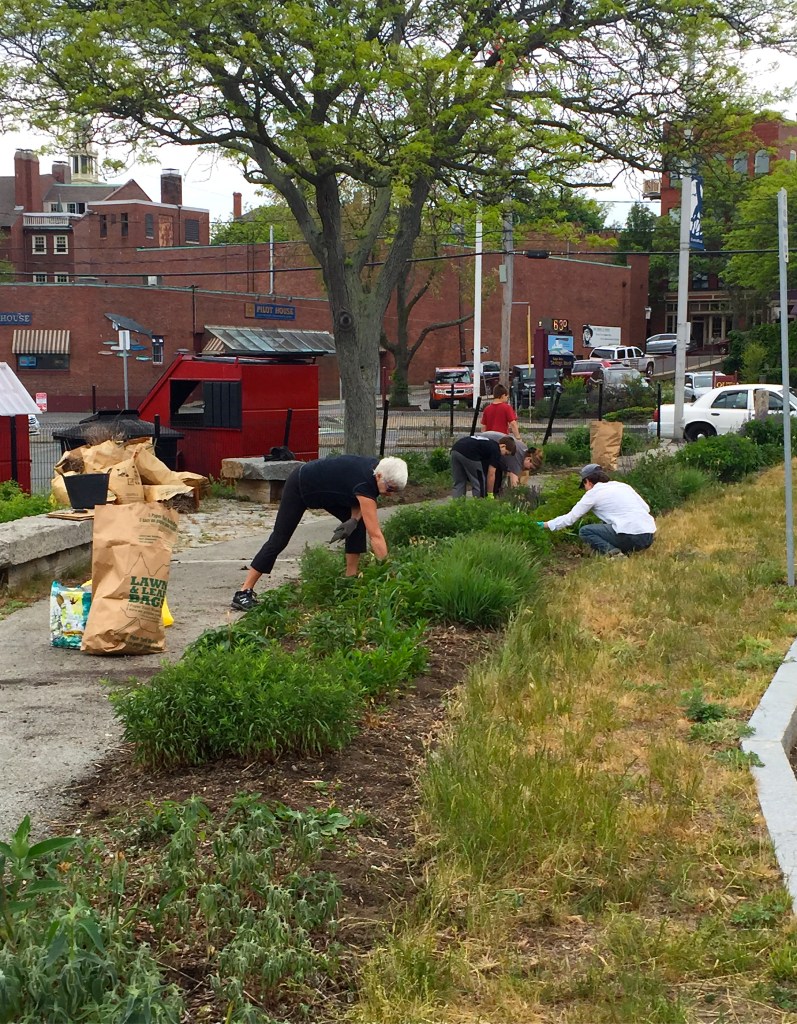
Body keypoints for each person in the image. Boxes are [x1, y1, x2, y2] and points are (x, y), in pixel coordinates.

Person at [231, 455, 409, 611]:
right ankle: (243, 592)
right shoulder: (367, 483)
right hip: (300, 486)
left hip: (327, 492)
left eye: (396, 491)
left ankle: (350, 581)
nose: (390, 495)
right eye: (390, 489)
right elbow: (376, 534)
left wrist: (354, 519)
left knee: (358, 525)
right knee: (279, 539)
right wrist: (388, 573)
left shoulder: (376, 471)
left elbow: (355, 492)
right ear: (379, 476)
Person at [538, 463, 656, 556]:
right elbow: (646, 508)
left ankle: (614, 554)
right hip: (648, 536)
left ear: (588, 482)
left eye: (584, 485)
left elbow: (570, 518)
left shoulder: (593, 493)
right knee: (608, 523)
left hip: (631, 537)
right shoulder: (623, 486)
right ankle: (626, 550)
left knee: (585, 531)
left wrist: (545, 524)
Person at [450, 434, 515, 499]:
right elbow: (491, 474)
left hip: (455, 449)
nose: (503, 455)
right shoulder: (496, 450)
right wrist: (490, 494)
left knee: (459, 482)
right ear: (503, 446)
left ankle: (457, 504)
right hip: (470, 454)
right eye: (506, 453)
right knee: (479, 483)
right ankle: (479, 505)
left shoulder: (489, 443)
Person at [478, 430, 543, 493]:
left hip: (486, 438)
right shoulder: (517, 458)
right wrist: (517, 496)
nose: (529, 470)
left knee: (497, 479)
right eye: (530, 468)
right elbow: (514, 482)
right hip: (482, 446)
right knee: (491, 478)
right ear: (529, 459)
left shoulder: (523, 449)